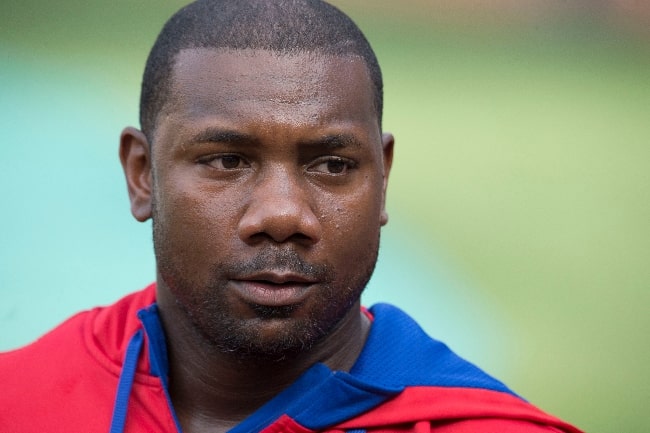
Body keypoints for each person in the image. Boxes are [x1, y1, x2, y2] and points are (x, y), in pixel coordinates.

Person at [0, 1, 583, 432]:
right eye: (226, 160)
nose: (282, 215)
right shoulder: (20, 401)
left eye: (332, 165)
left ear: (382, 179)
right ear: (141, 173)